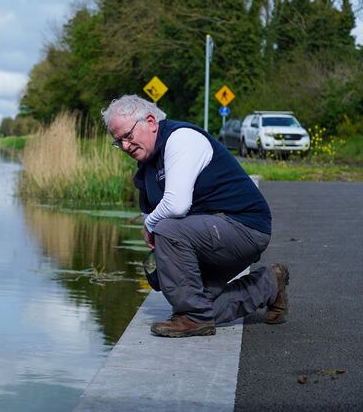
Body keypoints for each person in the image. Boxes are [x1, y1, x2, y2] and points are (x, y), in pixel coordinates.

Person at [102, 95, 289, 338]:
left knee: (167, 230)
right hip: (210, 237)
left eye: (127, 136)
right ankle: (269, 285)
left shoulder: (181, 139)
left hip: (245, 228)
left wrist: (149, 225)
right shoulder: (146, 168)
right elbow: (153, 212)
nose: (125, 146)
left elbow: (176, 205)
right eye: (118, 142)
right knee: (197, 302)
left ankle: (194, 318)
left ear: (150, 121)